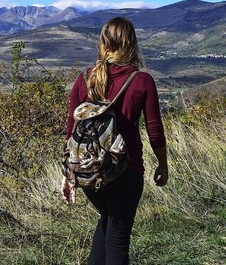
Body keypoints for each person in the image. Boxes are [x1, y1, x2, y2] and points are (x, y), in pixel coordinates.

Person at [61, 16, 168, 265]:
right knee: (118, 242)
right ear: (132, 43)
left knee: (107, 225)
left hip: (89, 172)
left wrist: (67, 175)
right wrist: (163, 165)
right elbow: (155, 131)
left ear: (102, 43)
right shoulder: (141, 81)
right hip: (126, 171)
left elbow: (71, 129)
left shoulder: (85, 78)